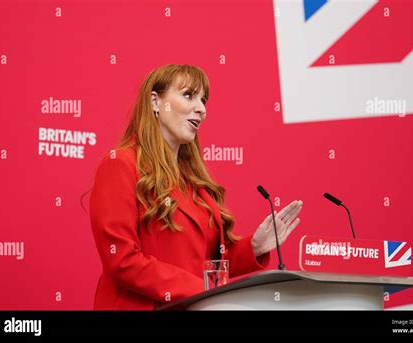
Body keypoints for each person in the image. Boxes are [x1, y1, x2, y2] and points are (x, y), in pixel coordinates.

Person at [88, 64, 302, 310]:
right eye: (188, 95)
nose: (201, 109)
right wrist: (203, 290)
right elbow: (122, 261)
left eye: (204, 100)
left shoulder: (195, 181)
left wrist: (254, 246)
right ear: (155, 102)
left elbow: (207, 263)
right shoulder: (121, 165)